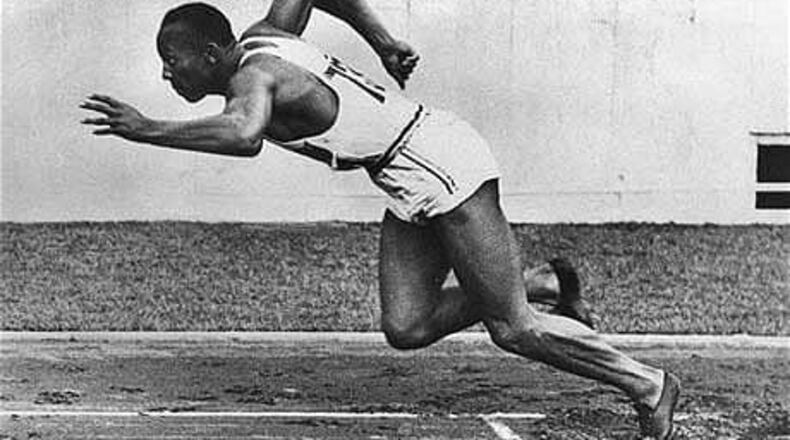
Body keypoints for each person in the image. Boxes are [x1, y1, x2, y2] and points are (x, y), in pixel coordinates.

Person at [80, 1, 680, 437]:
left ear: (211, 55)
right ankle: (543, 282)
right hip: (402, 173)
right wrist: (383, 40)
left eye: (172, 61)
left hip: (441, 163)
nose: (166, 74)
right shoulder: (265, 35)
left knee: (514, 330)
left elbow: (244, 135)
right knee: (408, 326)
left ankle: (648, 384)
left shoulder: (253, 77)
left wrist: (147, 129)